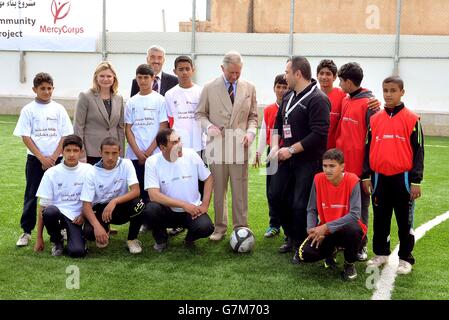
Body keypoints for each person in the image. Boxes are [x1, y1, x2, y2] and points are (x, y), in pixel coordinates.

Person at [267, 56, 330, 264]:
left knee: (299, 204)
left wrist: (291, 150)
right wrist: (276, 146)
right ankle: (290, 235)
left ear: (298, 73)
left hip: (307, 160)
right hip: (286, 156)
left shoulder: (318, 99)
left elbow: (319, 134)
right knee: (276, 196)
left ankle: (301, 244)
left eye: (287, 72)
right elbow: (277, 123)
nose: (285, 76)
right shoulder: (288, 96)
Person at [362, 76, 424, 275]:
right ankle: (381, 253)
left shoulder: (412, 119)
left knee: (404, 220)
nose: (388, 94)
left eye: (393, 90)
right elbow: (367, 149)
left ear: (402, 92)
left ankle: (406, 258)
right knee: (380, 218)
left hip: (403, 179)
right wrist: (366, 176)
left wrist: (415, 181)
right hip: (380, 178)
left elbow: (419, 152)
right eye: (385, 90)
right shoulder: (374, 119)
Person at [195, 51, 258, 241]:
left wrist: (251, 133)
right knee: (219, 189)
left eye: (238, 72)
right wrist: (209, 127)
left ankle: (241, 227)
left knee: (240, 189)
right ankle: (220, 228)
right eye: (231, 73)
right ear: (222, 68)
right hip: (217, 146)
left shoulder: (250, 88)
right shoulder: (208, 87)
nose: (235, 76)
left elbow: (253, 117)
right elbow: (200, 115)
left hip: (240, 146)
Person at [13, 72, 73, 247]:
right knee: (32, 195)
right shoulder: (28, 110)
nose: (46, 92)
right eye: (42, 89)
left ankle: (62, 227)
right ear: (35, 89)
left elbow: (65, 135)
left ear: (53, 89)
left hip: (57, 159)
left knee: (60, 194)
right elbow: (25, 136)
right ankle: (27, 231)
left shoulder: (59, 109)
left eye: (49, 88)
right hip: (35, 160)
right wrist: (41, 157)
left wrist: (54, 157)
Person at [299, 149, 366, 281]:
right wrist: (311, 229)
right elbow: (311, 209)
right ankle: (332, 251)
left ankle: (349, 264)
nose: (327, 170)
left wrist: (325, 227)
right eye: (325, 166)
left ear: (342, 166)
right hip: (327, 233)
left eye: (332, 166)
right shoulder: (318, 179)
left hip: (348, 230)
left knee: (354, 230)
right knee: (305, 254)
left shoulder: (352, 180)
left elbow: (355, 214)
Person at [144, 128, 214, 251]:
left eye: (179, 140)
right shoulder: (152, 162)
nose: (180, 145)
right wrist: (183, 204)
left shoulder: (191, 154)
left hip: (192, 211)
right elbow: (154, 195)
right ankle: (161, 240)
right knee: (150, 209)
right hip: (167, 211)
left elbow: (208, 178)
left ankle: (189, 238)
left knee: (206, 227)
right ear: (162, 147)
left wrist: (205, 205)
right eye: (174, 142)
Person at [335, 62, 378, 261]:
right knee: (344, 208)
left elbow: (373, 141)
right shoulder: (345, 99)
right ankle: (345, 242)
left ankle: (361, 245)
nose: (339, 84)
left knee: (361, 210)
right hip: (343, 168)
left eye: (341, 81)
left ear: (349, 82)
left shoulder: (370, 104)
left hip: (360, 171)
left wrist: (367, 172)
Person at [80, 137, 146, 254]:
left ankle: (132, 239)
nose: (110, 157)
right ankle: (105, 228)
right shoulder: (92, 172)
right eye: (106, 153)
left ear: (119, 152)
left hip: (120, 206)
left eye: (114, 153)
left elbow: (136, 191)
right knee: (90, 234)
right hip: (100, 209)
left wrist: (114, 201)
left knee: (139, 203)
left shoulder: (126, 164)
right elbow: (86, 205)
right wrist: (97, 227)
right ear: (100, 153)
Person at [34, 135, 91, 257]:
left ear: (81, 152)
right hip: (57, 215)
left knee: (77, 252)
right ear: (62, 151)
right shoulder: (51, 173)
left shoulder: (89, 171)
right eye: (68, 150)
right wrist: (39, 237)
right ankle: (57, 240)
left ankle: (78, 238)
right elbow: (42, 207)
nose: (71, 154)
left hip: (77, 218)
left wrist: (83, 215)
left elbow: (93, 200)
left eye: (75, 151)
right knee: (49, 211)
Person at [125, 64, 169, 203]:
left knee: (155, 191)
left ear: (153, 79)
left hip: (155, 154)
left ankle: (155, 223)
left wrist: (148, 152)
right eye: (140, 77)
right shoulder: (131, 102)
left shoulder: (160, 100)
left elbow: (163, 127)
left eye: (146, 77)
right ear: (136, 79)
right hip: (135, 155)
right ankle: (138, 224)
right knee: (138, 193)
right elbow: (128, 129)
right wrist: (138, 153)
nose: (143, 81)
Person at [253, 74, 288, 238]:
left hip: (288, 153)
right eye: (278, 87)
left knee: (287, 191)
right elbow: (263, 132)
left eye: (284, 87)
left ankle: (290, 225)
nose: (281, 90)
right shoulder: (268, 110)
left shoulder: (292, 106)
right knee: (271, 191)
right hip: (272, 154)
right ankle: (274, 224)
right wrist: (259, 152)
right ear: (274, 88)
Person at [165, 55, 206, 197]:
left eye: (187, 69)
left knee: (200, 179)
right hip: (179, 146)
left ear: (193, 70)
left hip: (199, 145)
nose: (184, 72)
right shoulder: (170, 94)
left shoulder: (201, 92)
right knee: (180, 179)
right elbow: (170, 121)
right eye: (180, 69)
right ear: (174, 71)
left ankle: (199, 209)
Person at [74, 61, 125, 165]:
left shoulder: (119, 98)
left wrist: (121, 153)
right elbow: (78, 127)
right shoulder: (85, 96)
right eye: (102, 76)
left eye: (109, 76)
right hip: (91, 152)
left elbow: (120, 128)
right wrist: (81, 153)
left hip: (112, 152)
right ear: (96, 77)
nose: (105, 79)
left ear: (114, 78)